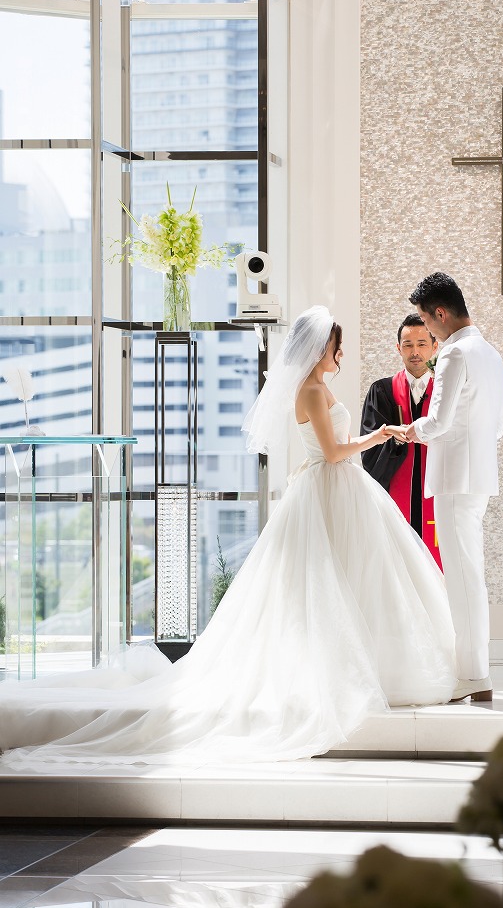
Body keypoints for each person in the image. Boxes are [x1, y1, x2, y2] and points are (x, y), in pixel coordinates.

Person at [0, 306, 456, 770]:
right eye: (335, 347)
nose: (340, 354)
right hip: (329, 485)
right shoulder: (311, 390)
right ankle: (330, 674)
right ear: (321, 349)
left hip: (337, 488)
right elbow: (334, 451)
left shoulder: (318, 386)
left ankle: (360, 666)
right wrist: (379, 435)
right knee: (322, 586)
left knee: (350, 579)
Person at [403, 273, 503, 703]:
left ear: (440, 313)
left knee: (462, 579)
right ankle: (475, 671)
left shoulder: (454, 353)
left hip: (453, 477)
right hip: (479, 476)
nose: (427, 331)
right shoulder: (491, 353)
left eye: (427, 321)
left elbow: (438, 422)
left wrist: (409, 430)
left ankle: (473, 675)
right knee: (470, 574)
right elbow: (496, 427)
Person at [361, 314, 442, 568]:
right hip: (395, 498)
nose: (415, 352)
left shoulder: (445, 393)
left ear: (435, 346)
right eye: (408, 345)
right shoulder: (382, 391)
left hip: (437, 495)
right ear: (398, 348)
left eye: (422, 344)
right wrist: (396, 440)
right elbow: (370, 454)